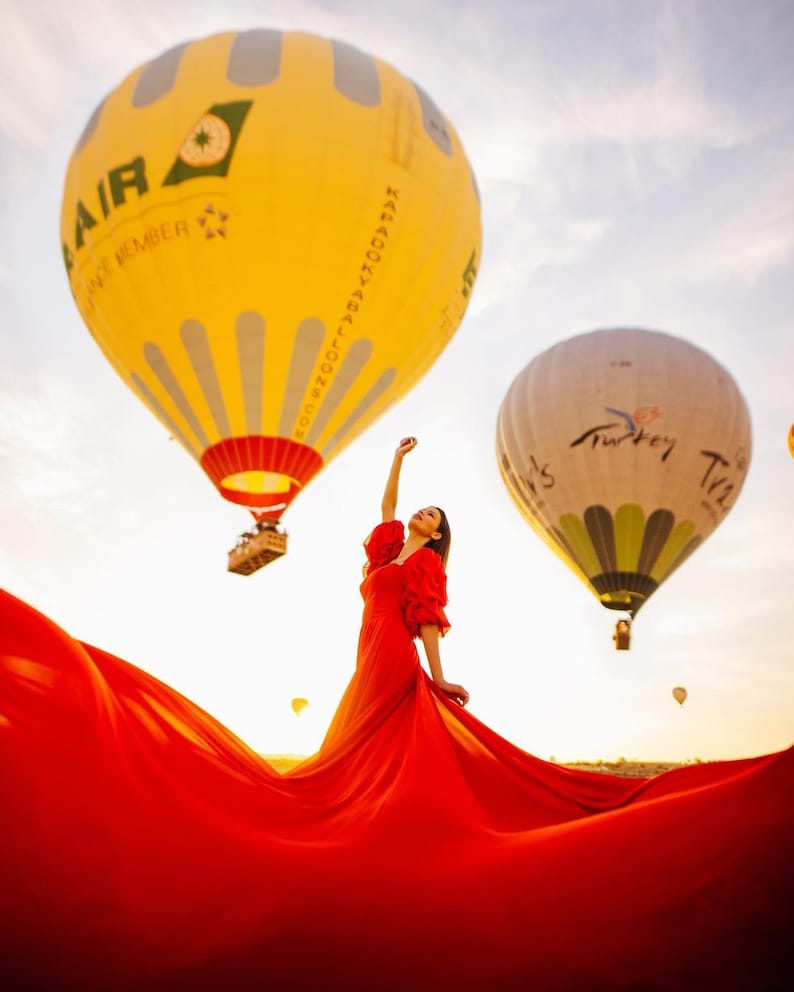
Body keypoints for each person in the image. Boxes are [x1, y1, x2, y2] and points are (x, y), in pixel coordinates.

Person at [319, 436, 468, 750]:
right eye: (423, 509)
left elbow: (428, 618)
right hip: (369, 642)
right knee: (368, 731)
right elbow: (387, 506)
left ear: (436, 535)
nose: (422, 512)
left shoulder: (425, 561)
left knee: (356, 730)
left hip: (391, 645)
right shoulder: (388, 554)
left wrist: (439, 677)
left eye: (431, 515)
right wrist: (398, 457)